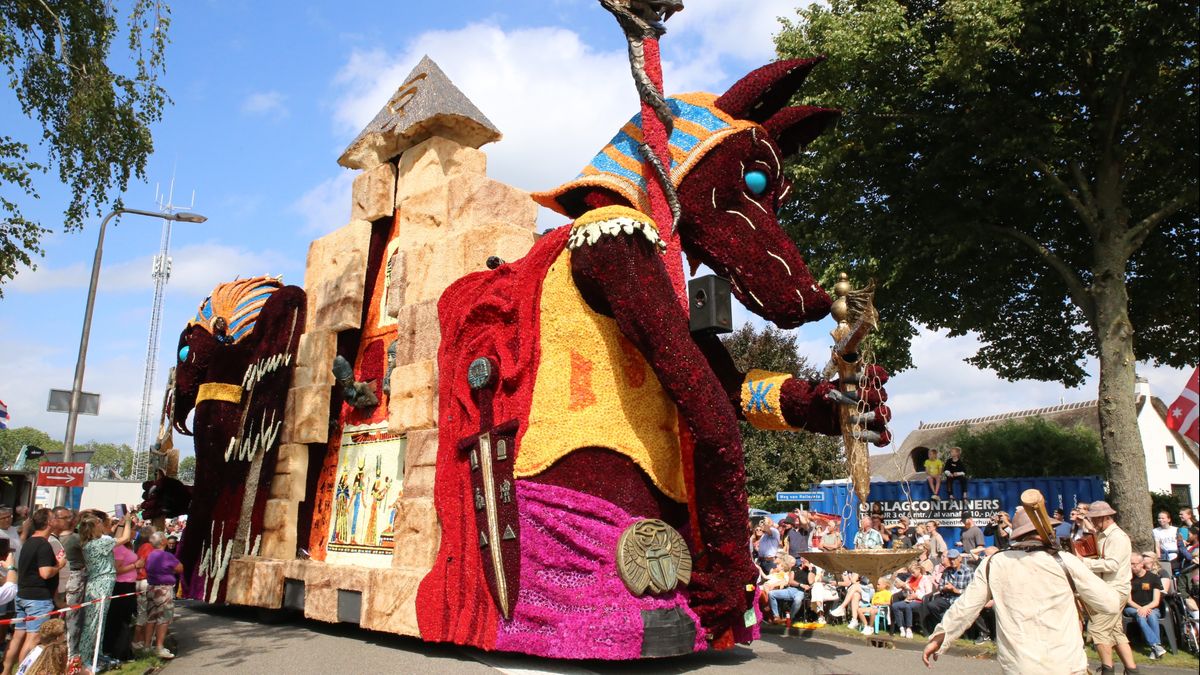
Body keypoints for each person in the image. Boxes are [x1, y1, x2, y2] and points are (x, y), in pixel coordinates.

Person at [922, 508, 1122, 673]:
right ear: (1046, 530)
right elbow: (1110, 603)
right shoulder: (1065, 561)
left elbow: (965, 607)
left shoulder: (994, 563)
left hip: (1020, 666)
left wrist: (941, 636)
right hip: (1065, 663)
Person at [2, 508, 66, 675]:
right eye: (54, 518)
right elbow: (45, 573)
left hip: (22, 595)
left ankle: (6, 671)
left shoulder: (29, 541)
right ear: (49, 522)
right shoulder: (43, 544)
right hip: (37, 598)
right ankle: (24, 673)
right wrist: (60, 565)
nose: (57, 520)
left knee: (18, 636)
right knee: (34, 638)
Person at [1077, 500, 1137, 675]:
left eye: (1095, 519)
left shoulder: (1117, 537)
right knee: (1116, 631)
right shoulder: (1104, 535)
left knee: (1097, 630)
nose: (1093, 522)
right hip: (1110, 589)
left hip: (1115, 589)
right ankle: (1132, 670)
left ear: (1105, 517)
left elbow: (1112, 565)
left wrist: (1084, 562)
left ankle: (1107, 671)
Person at [78, 512, 133, 675]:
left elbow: (112, 536)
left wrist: (121, 524)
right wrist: (128, 523)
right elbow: (124, 539)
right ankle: (85, 658)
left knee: (99, 621)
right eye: (100, 523)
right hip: (101, 582)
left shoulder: (92, 542)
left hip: (99, 581)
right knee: (93, 622)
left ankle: (97, 654)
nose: (103, 525)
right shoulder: (100, 542)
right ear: (95, 526)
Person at [924, 549, 991, 643]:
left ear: (959, 558)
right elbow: (940, 586)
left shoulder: (968, 571)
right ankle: (946, 630)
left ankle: (984, 634)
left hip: (962, 599)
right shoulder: (947, 571)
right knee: (932, 605)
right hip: (948, 598)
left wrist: (955, 590)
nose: (952, 561)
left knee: (974, 610)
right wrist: (944, 588)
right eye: (950, 559)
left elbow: (971, 590)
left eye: (954, 559)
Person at [144, 532, 182, 659]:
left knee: (151, 618)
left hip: (151, 587)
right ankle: (159, 647)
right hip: (164, 588)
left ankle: (146, 646)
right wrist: (170, 570)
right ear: (162, 542)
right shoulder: (166, 556)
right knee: (163, 619)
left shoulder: (150, 555)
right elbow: (180, 568)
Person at [103, 539, 140, 661]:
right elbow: (116, 570)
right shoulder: (119, 548)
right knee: (121, 620)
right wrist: (135, 565)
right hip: (122, 586)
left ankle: (122, 650)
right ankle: (119, 652)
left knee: (126, 619)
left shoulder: (127, 547)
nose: (134, 532)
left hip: (129, 585)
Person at [1125, 553, 1167, 659]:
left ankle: (1155, 648)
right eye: (1130, 564)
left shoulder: (1153, 578)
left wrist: (1145, 608)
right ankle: (1156, 645)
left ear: (1142, 563)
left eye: (1135, 564)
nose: (1132, 566)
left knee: (1150, 615)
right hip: (1132, 608)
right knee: (1141, 614)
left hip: (1151, 607)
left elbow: (1156, 601)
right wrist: (1140, 608)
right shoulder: (1128, 579)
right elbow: (1129, 600)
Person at [891, 562, 933, 638]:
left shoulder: (925, 579)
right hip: (909, 600)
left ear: (919, 570)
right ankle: (901, 627)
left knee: (908, 606)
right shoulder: (909, 579)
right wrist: (904, 588)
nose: (912, 574)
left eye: (913, 572)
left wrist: (917, 596)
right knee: (895, 606)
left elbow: (929, 594)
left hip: (920, 602)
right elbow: (905, 594)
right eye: (910, 572)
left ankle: (909, 628)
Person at [132, 526, 156, 651]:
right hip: (145, 581)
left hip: (140, 581)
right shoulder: (148, 547)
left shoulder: (140, 547)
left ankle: (140, 640)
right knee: (146, 614)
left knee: (143, 613)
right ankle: (138, 640)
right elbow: (147, 563)